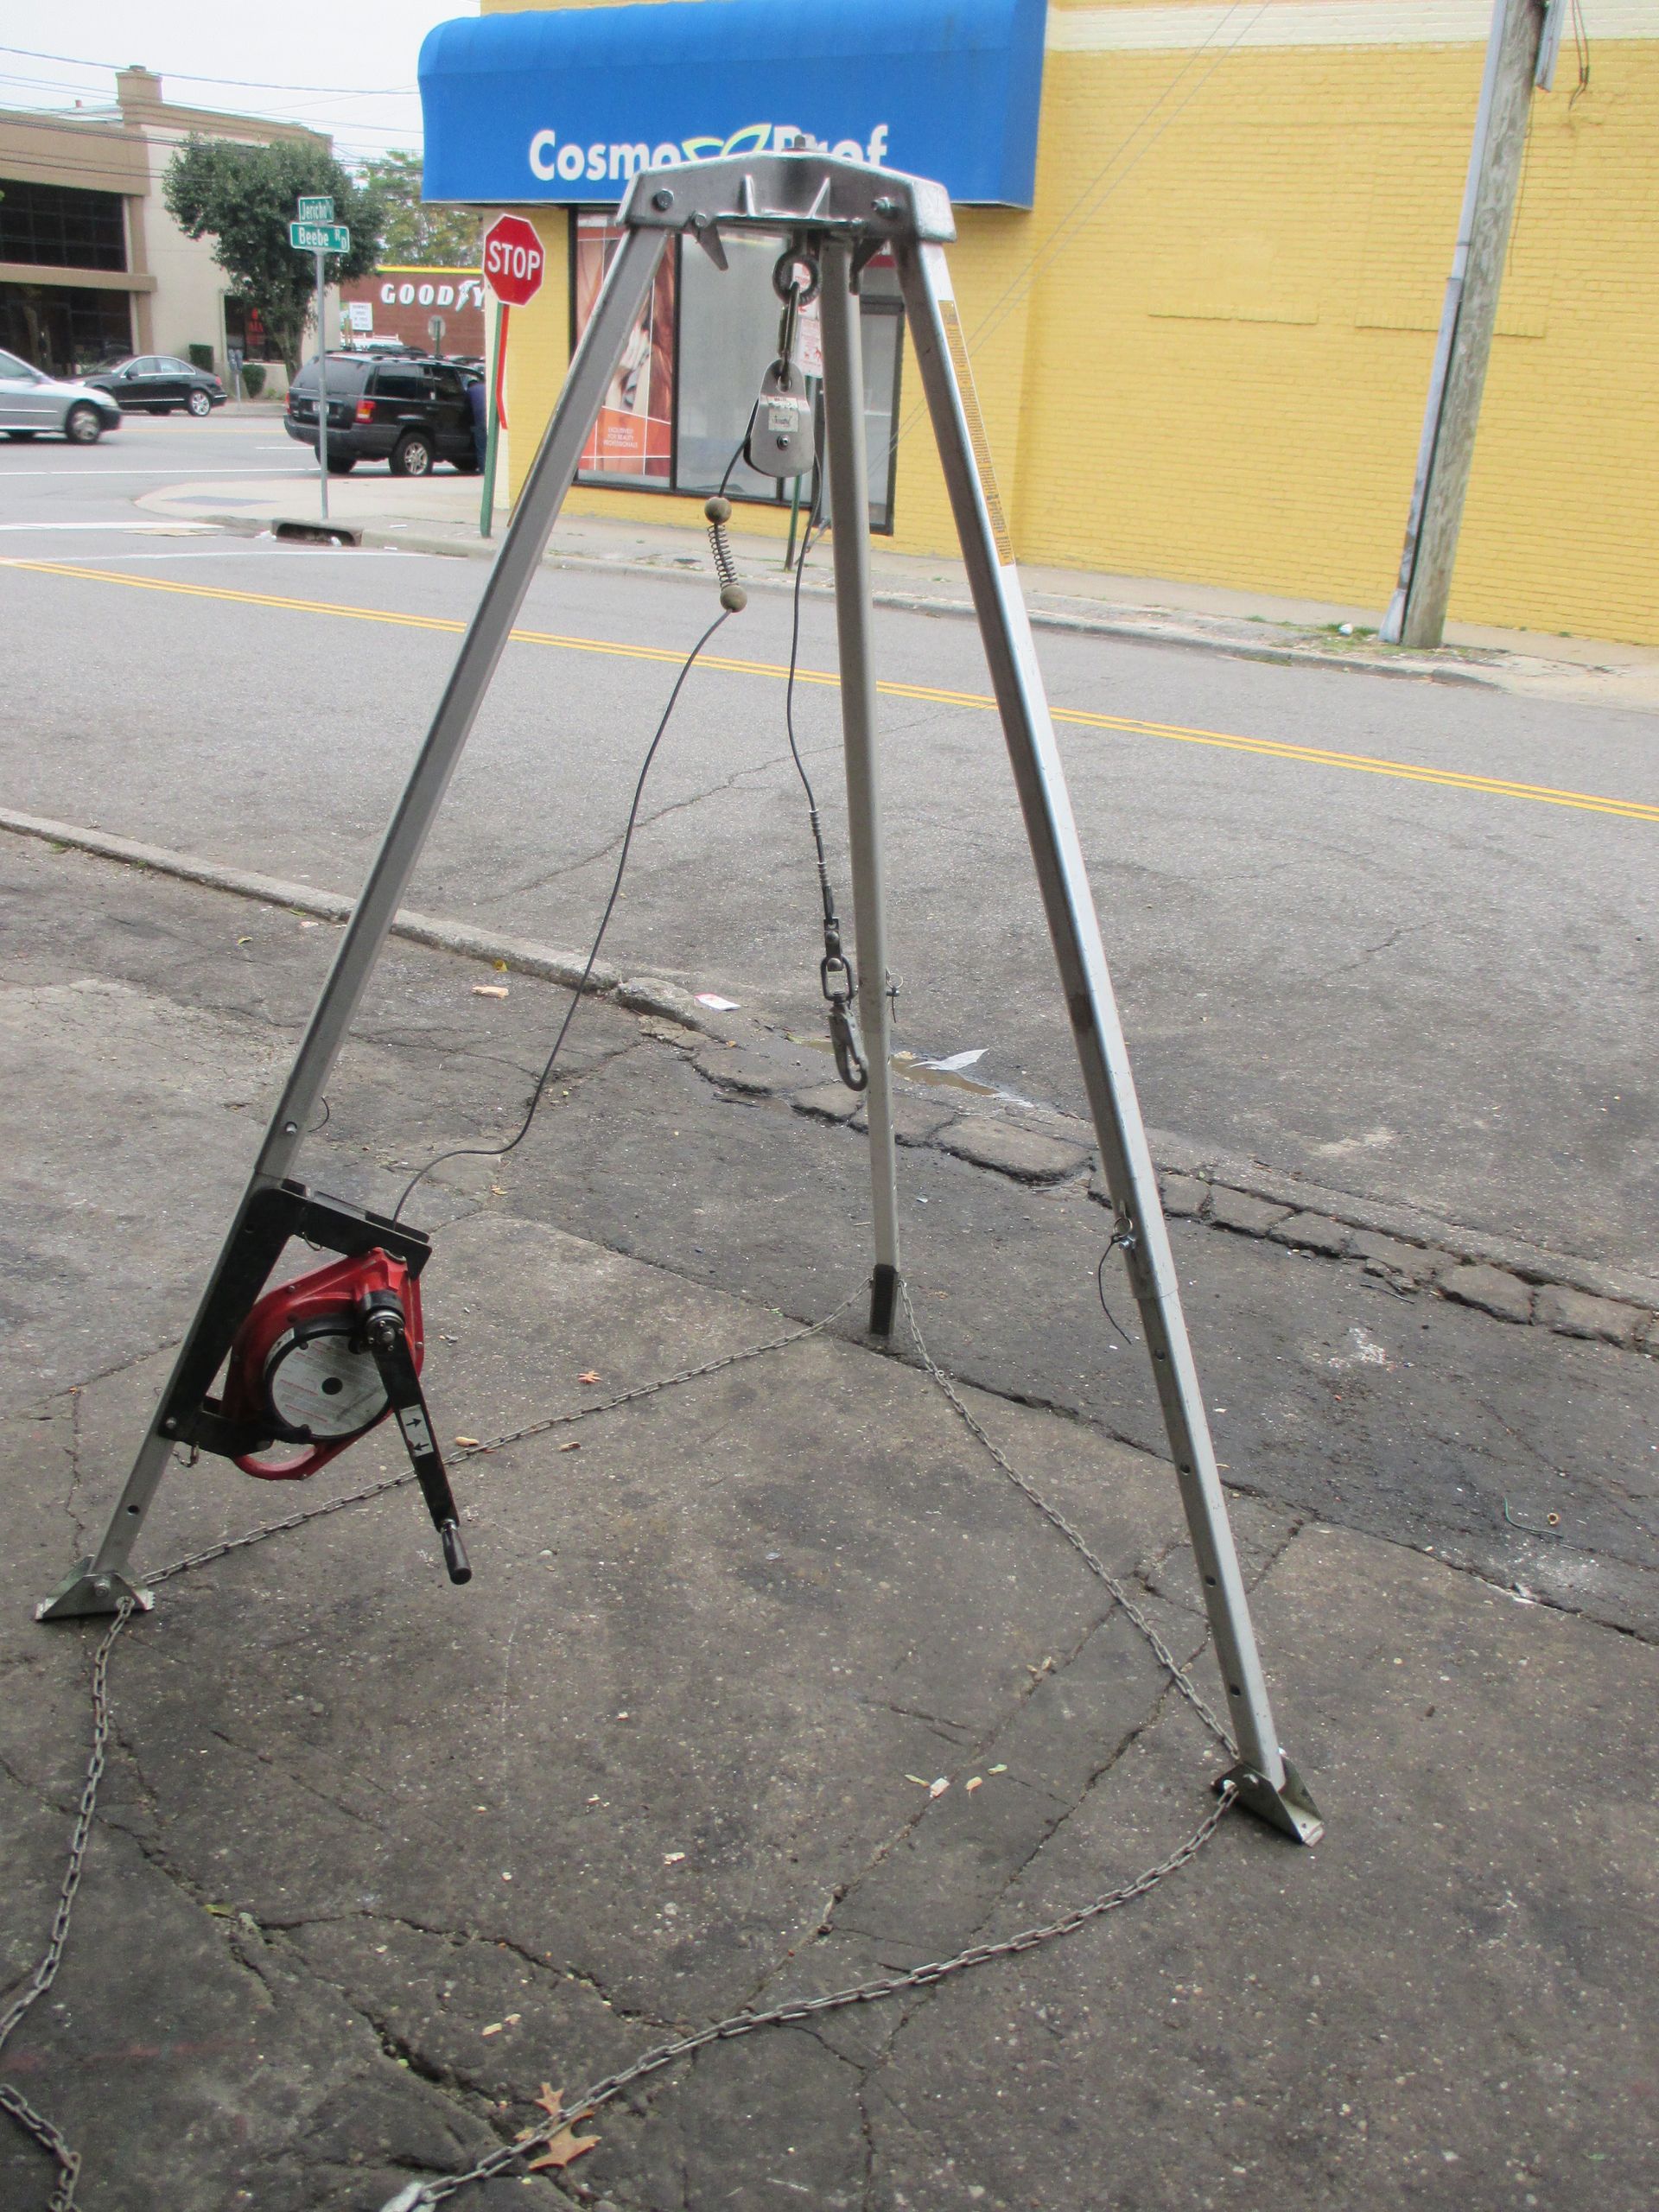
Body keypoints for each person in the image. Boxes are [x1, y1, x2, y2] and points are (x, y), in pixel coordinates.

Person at [467, 371, 487, 475]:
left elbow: (466, 408)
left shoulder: (470, 391)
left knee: (481, 447)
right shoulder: (485, 387)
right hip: (489, 419)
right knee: (491, 446)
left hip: (479, 421)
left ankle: (483, 471)